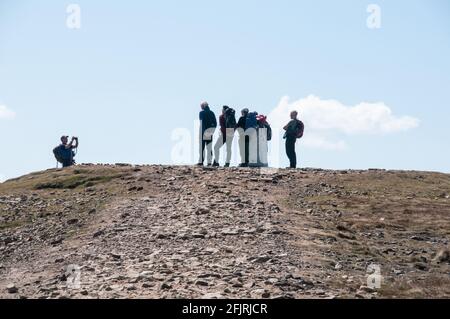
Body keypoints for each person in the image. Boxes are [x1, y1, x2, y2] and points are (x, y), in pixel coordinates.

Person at [197, 102, 217, 166]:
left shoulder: (201, 113)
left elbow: (201, 121)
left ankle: (201, 162)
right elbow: (215, 123)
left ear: (204, 106)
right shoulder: (212, 113)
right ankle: (209, 162)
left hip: (203, 132)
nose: (201, 107)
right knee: (209, 147)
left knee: (202, 148)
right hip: (210, 132)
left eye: (201, 106)